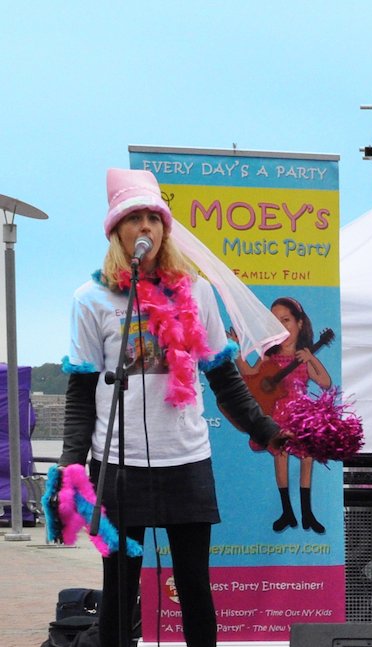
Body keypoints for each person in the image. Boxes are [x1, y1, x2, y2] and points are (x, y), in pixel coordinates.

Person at [61, 168, 287, 647]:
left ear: (165, 229)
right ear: (116, 231)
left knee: (193, 585)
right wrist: (69, 464)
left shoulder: (198, 292)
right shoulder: (91, 300)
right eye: (134, 219)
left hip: (185, 460)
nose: (145, 228)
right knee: (119, 588)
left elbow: (225, 379)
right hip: (116, 464)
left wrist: (267, 430)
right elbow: (80, 393)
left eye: (153, 219)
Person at [231, 297, 333, 534]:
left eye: (286, 320)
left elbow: (325, 382)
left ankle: (307, 514)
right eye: (275, 321)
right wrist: (235, 349)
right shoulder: (270, 354)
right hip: (277, 414)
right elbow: (249, 373)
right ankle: (287, 511)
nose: (281, 326)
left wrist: (312, 358)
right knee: (281, 455)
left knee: (307, 457)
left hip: (302, 414)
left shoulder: (303, 355)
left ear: (299, 323)